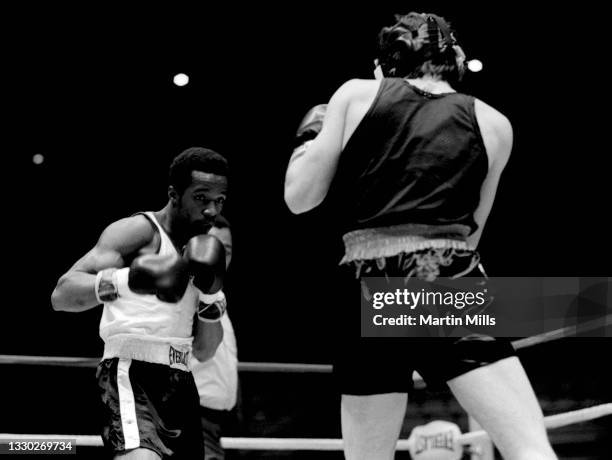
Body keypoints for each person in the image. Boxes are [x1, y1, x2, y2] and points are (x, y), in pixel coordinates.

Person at [284, 12, 557, 460]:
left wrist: (310, 139)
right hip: (444, 275)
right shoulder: (494, 122)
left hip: (364, 285)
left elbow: (299, 199)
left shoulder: (355, 95)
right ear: (454, 58)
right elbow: (472, 234)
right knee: (529, 449)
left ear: (385, 62)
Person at [51, 146, 230, 460]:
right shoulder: (139, 232)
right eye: (201, 198)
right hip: (131, 373)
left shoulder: (202, 252)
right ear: (174, 194)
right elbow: (62, 295)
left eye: (219, 201)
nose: (212, 211)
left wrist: (212, 297)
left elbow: (205, 350)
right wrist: (126, 280)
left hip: (181, 380)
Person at [190, 216, 239, 460]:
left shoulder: (214, 295)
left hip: (216, 419)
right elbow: (205, 350)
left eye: (226, 251)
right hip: (192, 415)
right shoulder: (189, 292)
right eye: (213, 248)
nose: (219, 258)